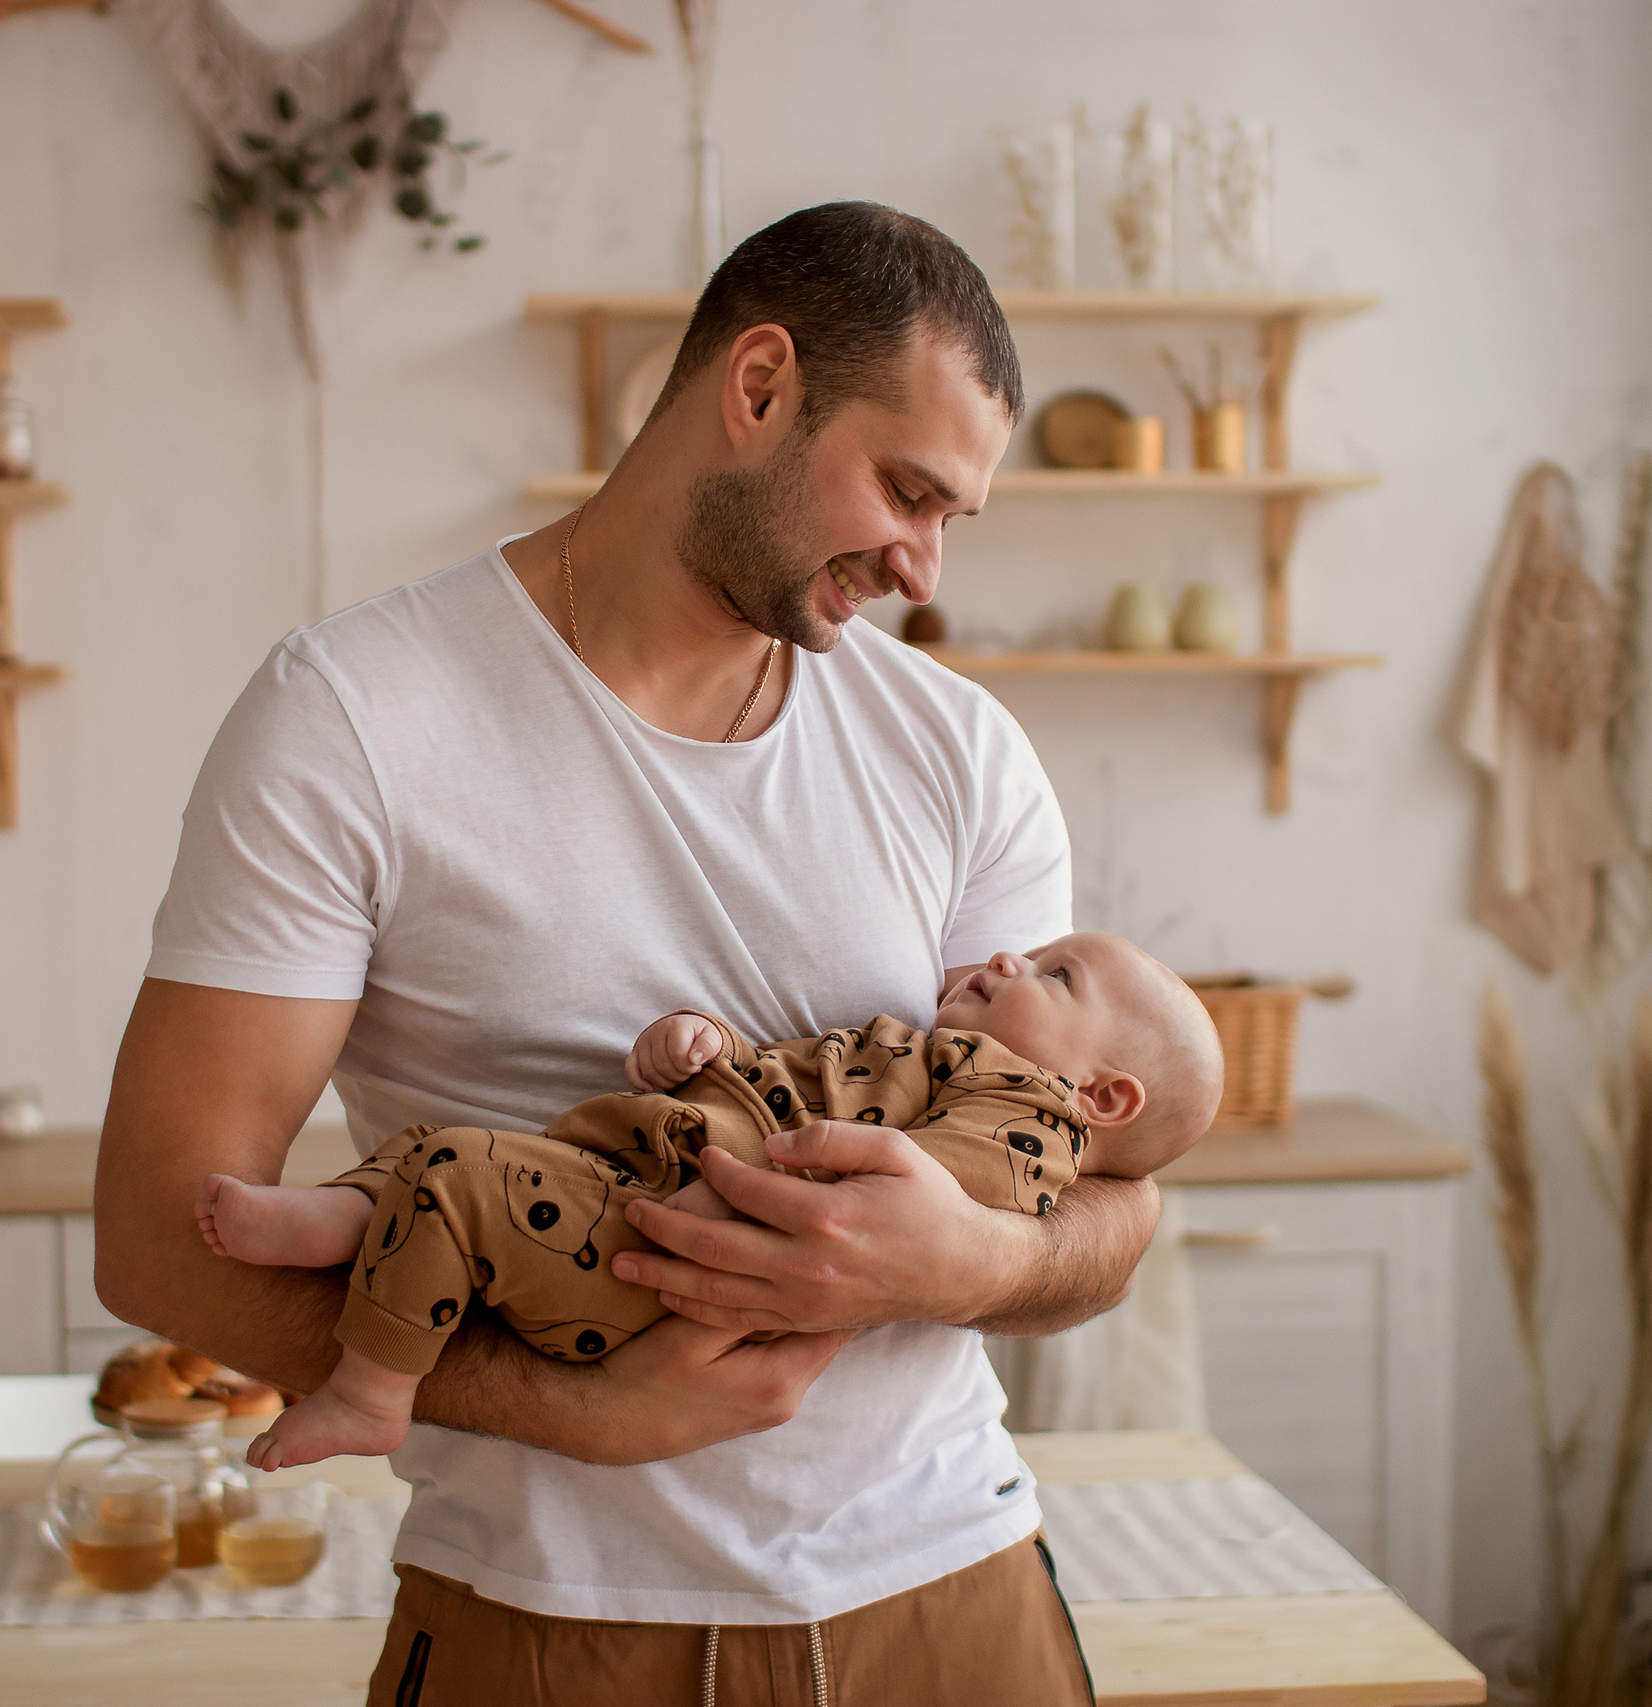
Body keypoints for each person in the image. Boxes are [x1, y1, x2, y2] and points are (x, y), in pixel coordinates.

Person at [96, 201, 1164, 1705]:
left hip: (953, 1595)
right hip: (549, 1623)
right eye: (906, 489)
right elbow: (156, 1236)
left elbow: (1111, 1203)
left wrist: (977, 1254)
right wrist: (567, 1408)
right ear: (761, 385)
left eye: (952, 520)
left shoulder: (958, 750)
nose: (921, 566)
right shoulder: (354, 717)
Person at [202, 931, 1224, 1473]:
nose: (1010, 955)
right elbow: (804, 1078)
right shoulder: (929, 1057)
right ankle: (345, 1216)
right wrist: (708, 1049)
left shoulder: (1023, 1116)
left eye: (1055, 972)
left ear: (1100, 1097)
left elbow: (925, 1210)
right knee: (432, 1159)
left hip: (671, 1258)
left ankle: (373, 1392)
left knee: (460, 1179)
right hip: (633, 1187)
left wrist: (768, 1201)